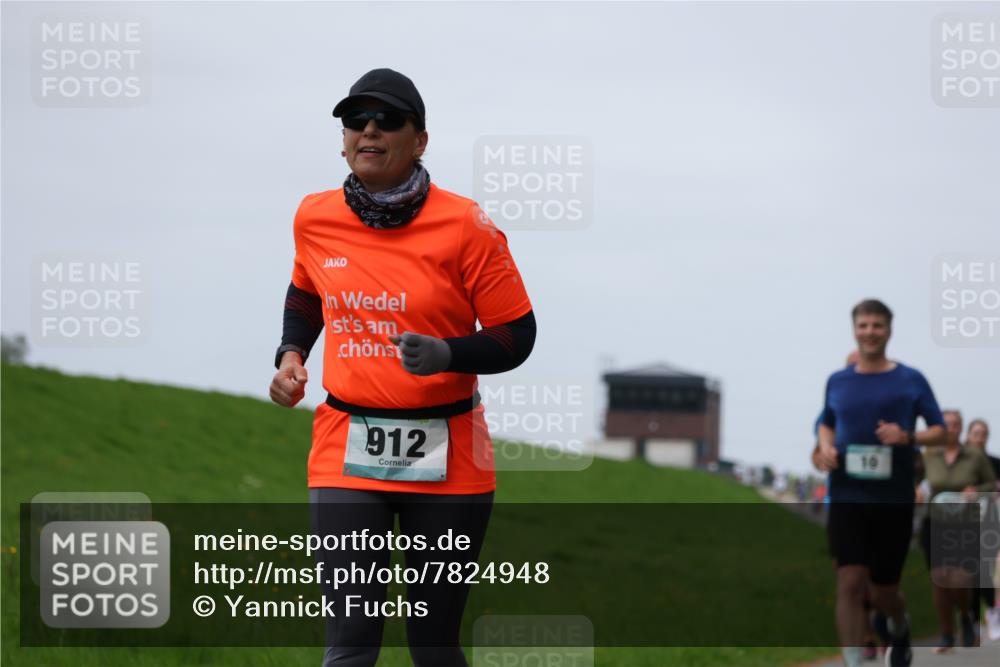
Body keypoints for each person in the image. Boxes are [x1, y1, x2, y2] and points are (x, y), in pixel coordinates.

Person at [269, 68, 536, 667]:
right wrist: (291, 355)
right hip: (346, 449)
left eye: (388, 120)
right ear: (343, 138)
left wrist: (448, 353)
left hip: (451, 456)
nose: (369, 130)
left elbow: (518, 334)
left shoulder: (466, 224)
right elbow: (307, 292)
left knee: (433, 645)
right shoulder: (313, 216)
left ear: (420, 141)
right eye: (356, 119)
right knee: (349, 645)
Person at [813, 299, 947, 667]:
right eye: (863, 325)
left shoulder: (910, 379)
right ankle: (853, 661)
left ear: (889, 330)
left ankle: (899, 625)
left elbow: (940, 431)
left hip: (893, 498)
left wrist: (907, 436)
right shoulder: (838, 381)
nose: (869, 332)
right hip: (847, 493)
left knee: (884, 592)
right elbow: (826, 422)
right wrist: (825, 446)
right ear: (854, 329)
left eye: (877, 325)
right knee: (849, 580)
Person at [919, 410, 996, 652]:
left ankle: (965, 615)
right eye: (947, 424)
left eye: (955, 424)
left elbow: (992, 484)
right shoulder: (929, 455)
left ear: (961, 428)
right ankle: (946, 634)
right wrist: (916, 491)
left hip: (965, 523)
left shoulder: (974, 456)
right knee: (939, 579)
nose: (951, 428)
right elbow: (918, 481)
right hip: (935, 521)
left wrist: (977, 491)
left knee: (960, 577)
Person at [965, 419, 1000, 640]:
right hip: (962, 521)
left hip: (988, 520)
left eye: (983, 433)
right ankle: (972, 619)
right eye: (976, 433)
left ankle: (991, 611)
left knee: (984, 568)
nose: (980, 438)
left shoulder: (994, 463)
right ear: (968, 435)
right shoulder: (961, 462)